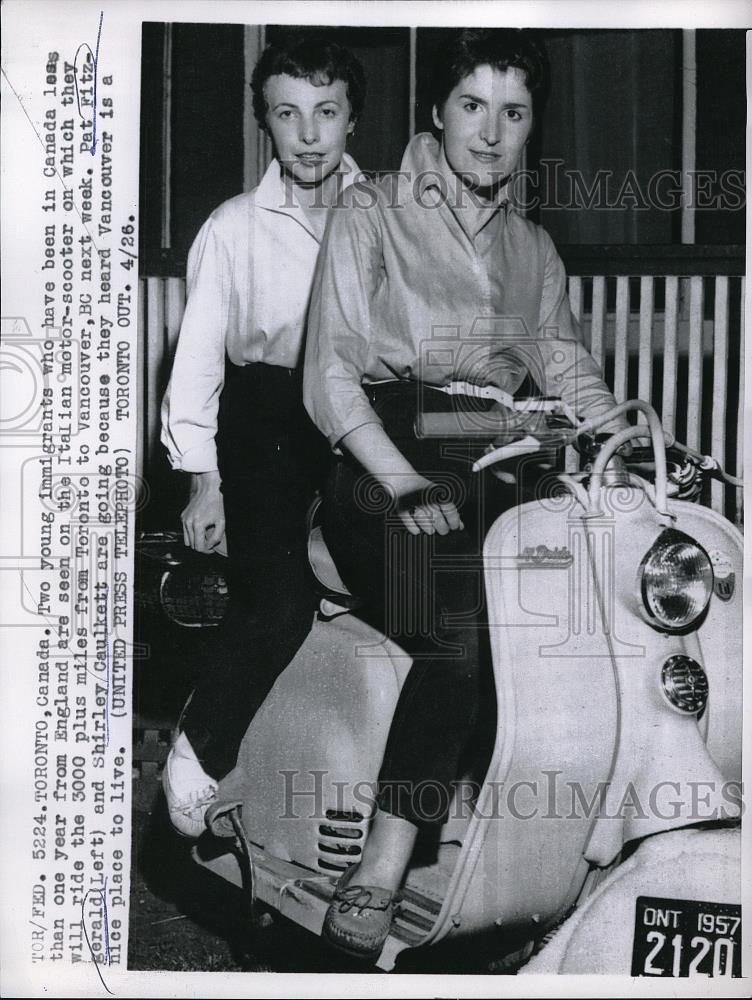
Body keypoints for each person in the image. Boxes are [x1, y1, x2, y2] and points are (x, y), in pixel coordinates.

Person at [303, 28, 628, 959]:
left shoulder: (532, 245)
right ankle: (384, 864)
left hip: (496, 456)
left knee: (582, 621)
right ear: (437, 114)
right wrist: (401, 484)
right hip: (383, 455)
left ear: (532, 128)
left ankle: (549, 859)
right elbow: (328, 375)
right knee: (458, 629)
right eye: (473, 106)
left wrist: (620, 438)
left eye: (514, 112)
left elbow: (567, 369)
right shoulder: (370, 212)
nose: (491, 132)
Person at [160, 33, 365, 837]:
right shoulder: (234, 227)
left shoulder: (384, 217)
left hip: (357, 417)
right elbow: (199, 362)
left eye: (326, 113)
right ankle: (200, 749)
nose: (309, 134)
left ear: (351, 122)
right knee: (280, 601)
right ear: (266, 126)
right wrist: (202, 482)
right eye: (288, 114)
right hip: (266, 420)